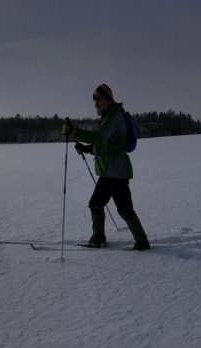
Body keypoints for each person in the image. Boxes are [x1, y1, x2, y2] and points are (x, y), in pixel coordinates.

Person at [62, 84, 151, 250]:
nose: (96, 104)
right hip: (107, 172)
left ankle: (142, 242)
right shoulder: (107, 116)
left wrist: (75, 132)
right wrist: (86, 148)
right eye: (94, 100)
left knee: (125, 209)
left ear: (108, 99)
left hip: (116, 172)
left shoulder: (115, 116)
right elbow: (104, 145)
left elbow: (100, 137)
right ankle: (98, 238)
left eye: (99, 99)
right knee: (95, 204)